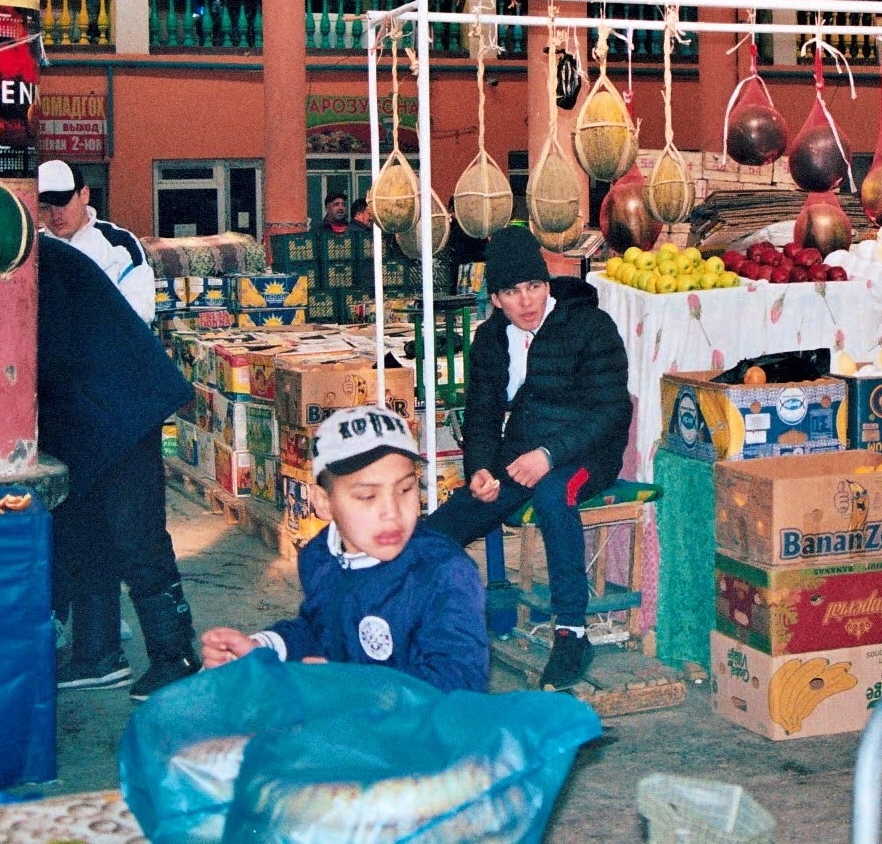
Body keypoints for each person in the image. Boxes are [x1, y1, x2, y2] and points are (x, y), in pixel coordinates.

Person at [422, 227, 631, 690]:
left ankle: (572, 633)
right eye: (512, 292)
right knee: (445, 524)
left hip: (586, 451)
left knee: (556, 495)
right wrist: (479, 467)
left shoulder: (590, 326)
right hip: (522, 452)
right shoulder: (491, 339)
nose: (527, 301)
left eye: (535, 286)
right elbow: (482, 413)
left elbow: (613, 409)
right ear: (495, 299)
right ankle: (421, 622)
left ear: (548, 284)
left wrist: (549, 454)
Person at [198, 405, 489, 692]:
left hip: (419, 736)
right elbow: (318, 629)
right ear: (323, 502)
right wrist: (264, 647)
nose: (392, 512)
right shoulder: (319, 556)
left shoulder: (443, 572)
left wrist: (349, 688)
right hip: (346, 726)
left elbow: (461, 683)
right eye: (367, 496)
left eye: (405, 489)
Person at [38, 235, 202, 699]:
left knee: (136, 532)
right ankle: (98, 653)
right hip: (88, 413)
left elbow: (38, 358)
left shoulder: (31, 267)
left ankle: (176, 657)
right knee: (81, 527)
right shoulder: (28, 261)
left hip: (122, 406)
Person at [39, 160, 156, 324]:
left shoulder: (120, 243)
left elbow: (141, 311)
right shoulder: (33, 249)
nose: (55, 214)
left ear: (84, 194)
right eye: (45, 207)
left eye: (62, 203)